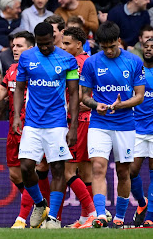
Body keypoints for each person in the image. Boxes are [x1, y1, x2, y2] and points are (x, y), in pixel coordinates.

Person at [0, 31, 51, 228]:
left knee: (30, 172)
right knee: (15, 174)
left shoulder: (40, 70)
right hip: (13, 129)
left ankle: (22, 218)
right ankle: (39, 205)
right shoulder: (11, 69)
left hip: (33, 130)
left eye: (19, 45)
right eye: (13, 45)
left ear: (31, 48)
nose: (14, 48)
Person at [13, 22, 79, 229]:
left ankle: (54, 219)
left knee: (58, 169)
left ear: (54, 37)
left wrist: (73, 125)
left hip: (57, 123)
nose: (44, 47)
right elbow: (19, 88)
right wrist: (16, 115)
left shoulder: (68, 59)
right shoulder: (27, 57)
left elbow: (75, 93)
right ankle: (40, 204)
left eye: (47, 43)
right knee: (25, 166)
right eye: (40, 44)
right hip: (32, 122)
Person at [80, 21, 145, 228]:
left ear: (119, 41)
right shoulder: (91, 63)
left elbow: (140, 96)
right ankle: (100, 215)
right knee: (98, 167)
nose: (108, 51)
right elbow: (84, 96)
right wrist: (95, 104)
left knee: (123, 172)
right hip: (99, 122)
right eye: (104, 47)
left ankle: (119, 217)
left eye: (111, 46)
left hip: (125, 124)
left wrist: (121, 105)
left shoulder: (134, 61)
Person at [60, 27, 96, 228]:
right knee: (86, 171)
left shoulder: (77, 63)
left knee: (68, 170)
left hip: (79, 122)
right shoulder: (89, 61)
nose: (63, 47)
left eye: (67, 44)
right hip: (89, 121)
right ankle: (86, 218)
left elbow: (82, 97)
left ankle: (92, 212)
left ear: (79, 45)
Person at [130, 37, 153, 227]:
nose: (149, 49)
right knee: (131, 171)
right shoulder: (137, 71)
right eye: (146, 46)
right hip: (136, 128)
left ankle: (151, 216)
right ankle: (142, 203)